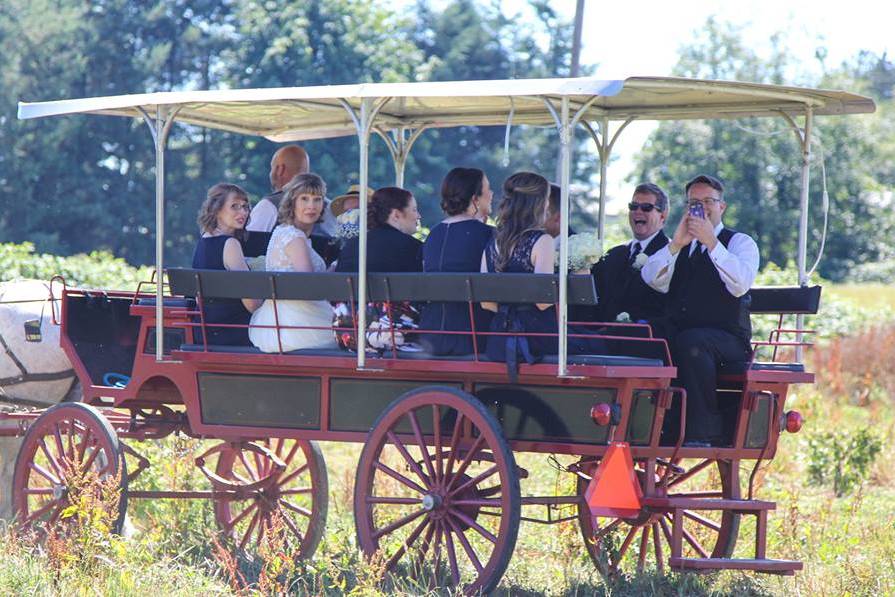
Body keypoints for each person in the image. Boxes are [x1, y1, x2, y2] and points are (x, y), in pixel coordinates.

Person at [642, 174, 759, 446]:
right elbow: (652, 279)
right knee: (647, 334)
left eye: (708, 201)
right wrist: (676, 245)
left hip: (728, 337)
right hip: (683, 329)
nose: (702, 208)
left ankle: (702, 431)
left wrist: (712, 244)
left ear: (722, 207)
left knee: (693, 342)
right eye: (695, 202)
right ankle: (651, 424)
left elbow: (740, 284)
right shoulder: (681, 245)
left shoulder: (740, 243)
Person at [481, 172, 606, 371]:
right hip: (537, 339)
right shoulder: (542, 241)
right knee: (600, 342)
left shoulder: (493, 241)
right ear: (539, 204)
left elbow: (487, 303)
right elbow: (543, 302)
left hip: (498, 338)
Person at [248, 173, 337, 353]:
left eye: (317, 199)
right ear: (292, 202)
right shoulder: (295, 237)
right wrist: (335, 268)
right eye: (304, 199)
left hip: (281, 319)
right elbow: (309, 285)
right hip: (297, 324)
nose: (311, 206)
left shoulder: (285, 231)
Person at [419, 168, 494, 355]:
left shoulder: (433, 234)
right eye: (488, 190)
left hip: (430, 333)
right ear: (475, 199)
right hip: (475, 336)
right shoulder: (488, 235)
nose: (492, 195)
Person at [588, 182, 669, 327]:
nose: (638, 211)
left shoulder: (669, 254)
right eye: (633, 206)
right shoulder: (615, 254)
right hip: (603, 333)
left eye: (646, 207)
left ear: (663, 216)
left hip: (644, 337)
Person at [191, 183, 261, 346]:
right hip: (232, 331)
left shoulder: (203, 240)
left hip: (205, 330)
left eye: (245, 207)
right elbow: (251, 304)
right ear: (216, 209)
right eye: (234, 207)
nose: (242, 212)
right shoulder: (230, 244)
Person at [246, 145, 338, 237]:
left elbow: (249, 243)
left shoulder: (268, 205)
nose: (311, 206)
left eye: (272, 168)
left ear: (279, 169)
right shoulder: (330, 207)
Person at [335, 187, 423, 273]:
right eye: (414, 210)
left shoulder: (350, 248)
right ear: (396, 214)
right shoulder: (413, 248)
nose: (419, 216)